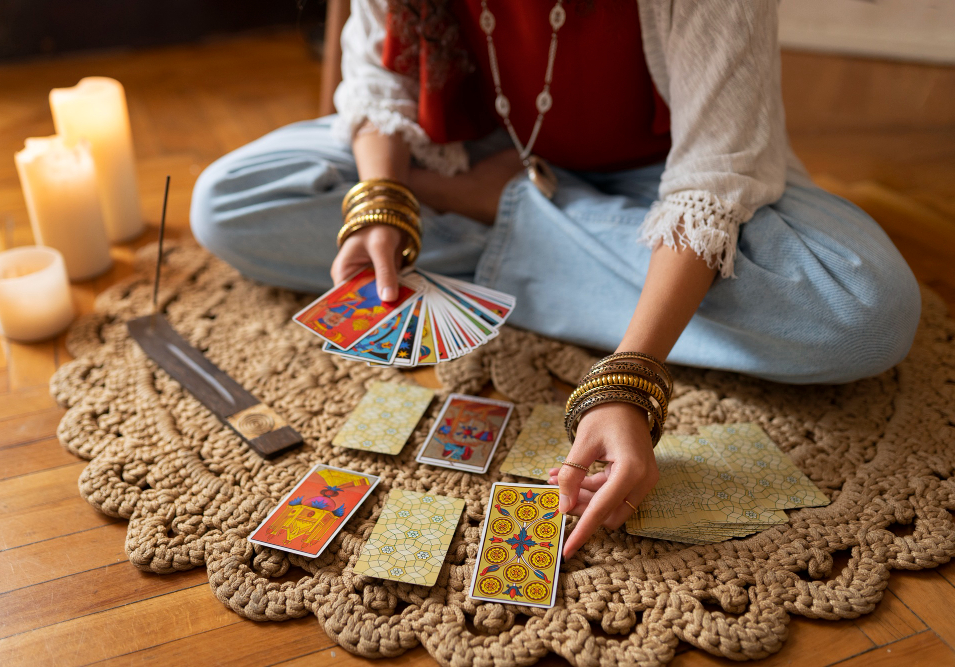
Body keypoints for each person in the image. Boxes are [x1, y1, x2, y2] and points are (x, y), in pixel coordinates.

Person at [190, 0, 921, 559]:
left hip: (660, 180)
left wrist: (629, 378)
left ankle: (508, 211)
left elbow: (714, 176)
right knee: (228, 201)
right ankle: (551, 235)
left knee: (865, 309)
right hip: (464, 152)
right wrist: (383, 197)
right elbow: (379, 81)